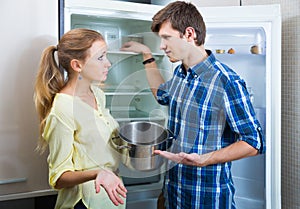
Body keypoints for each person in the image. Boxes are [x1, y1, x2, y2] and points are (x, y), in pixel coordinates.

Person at [120, 1, 265, 209]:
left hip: (206, 197)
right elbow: (161, 94)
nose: (162, 46)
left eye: (166, 38)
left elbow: (254, 142)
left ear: (189, 34)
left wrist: (204, 159)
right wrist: (146, 55)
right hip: (174, 190)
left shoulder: (226, 82)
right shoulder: (181, 73)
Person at [34, 28, 127, 209]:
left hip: (112, 197)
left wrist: (136, 148)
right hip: (85, 203)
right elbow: (59, 177)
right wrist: (98, 173)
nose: (108, 63)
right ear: (77, 66)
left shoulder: (98, 94)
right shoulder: (63, 108)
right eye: (100, 58)